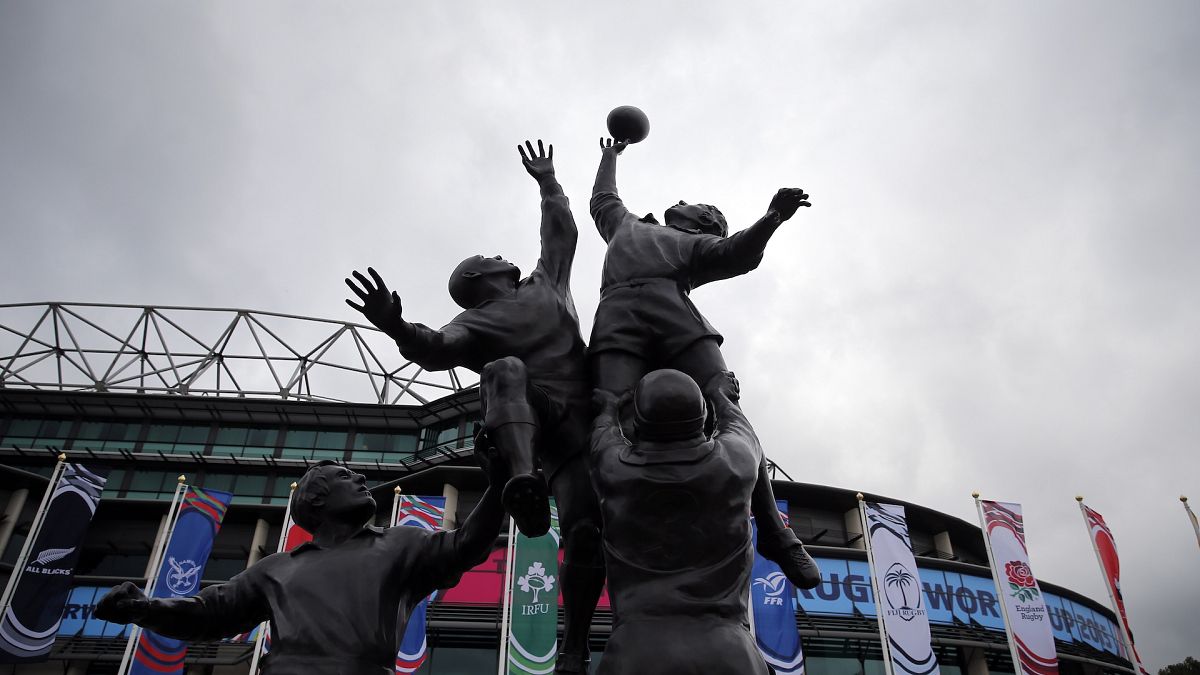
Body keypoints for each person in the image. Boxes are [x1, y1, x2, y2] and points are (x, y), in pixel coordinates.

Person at [343, 140, 603, 674]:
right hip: (548, 430)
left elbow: (562, 231)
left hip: (592, 414)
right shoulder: (475, 325)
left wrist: (548, 181)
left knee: (584, 534)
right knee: (502, 371)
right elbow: (434, 348)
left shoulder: (546, 282)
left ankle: (576, 644)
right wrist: (395, 325)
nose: (504, 256)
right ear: (488, 273)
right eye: (494, 257)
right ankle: (525, 484)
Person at [587, 138, 819, 589]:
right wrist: (610, 155)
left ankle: (772, 527)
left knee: (726, 404)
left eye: (695, 204)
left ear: (706, 222)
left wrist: (771, 219)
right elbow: (602, 199)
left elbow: (739, 253)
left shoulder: (697, 246)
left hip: (676, 320)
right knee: (605, 409)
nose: (679, 201)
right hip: (617, 321)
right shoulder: (625, 225)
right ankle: (604, 522)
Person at [95, 455, 506, 675]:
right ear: (316, 501)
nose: (363, 479)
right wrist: (146, 609)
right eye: (348, 476)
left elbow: (467, 544)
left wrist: (501, 480)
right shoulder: (275, 568)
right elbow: (209, 612)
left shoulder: (401, 544)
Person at [589, 369, 771, 675]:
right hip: (730, 651)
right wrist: (722, 395)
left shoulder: (614, 471)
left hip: (637, 652)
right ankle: (781, 539)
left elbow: (601, 435)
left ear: (639, 425)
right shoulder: (735, 462)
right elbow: (740, 426)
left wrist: (608, 408)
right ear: (702, 418)